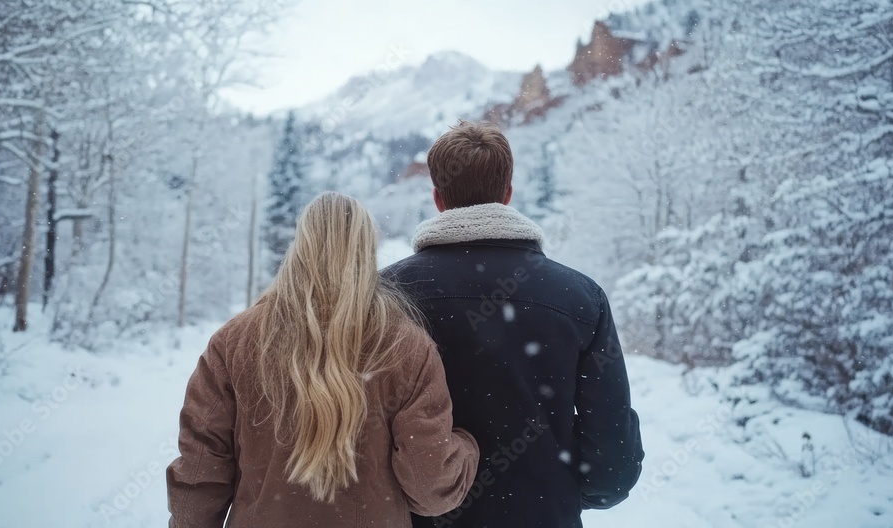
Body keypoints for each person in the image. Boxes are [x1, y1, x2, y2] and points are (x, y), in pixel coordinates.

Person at [383, 121, 644, 528]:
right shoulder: (579, 297)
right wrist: (562, 495)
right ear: (507, 194)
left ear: (437, 198)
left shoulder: (383, 296)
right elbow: (613, 456)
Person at [167, 192, 479, 528]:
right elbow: (430, 489)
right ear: (366, 251)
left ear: (299, 248)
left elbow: (199, 476)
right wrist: (468, 446)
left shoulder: (233, 343)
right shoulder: (406, 347)